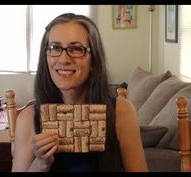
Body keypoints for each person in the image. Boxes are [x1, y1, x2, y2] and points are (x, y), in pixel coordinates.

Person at [11, 13, 148, 172]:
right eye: (55, 47)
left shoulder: (122, 112)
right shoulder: (28, 118)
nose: (63, 59)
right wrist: (41, 163)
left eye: (76, 49)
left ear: (93, 61)